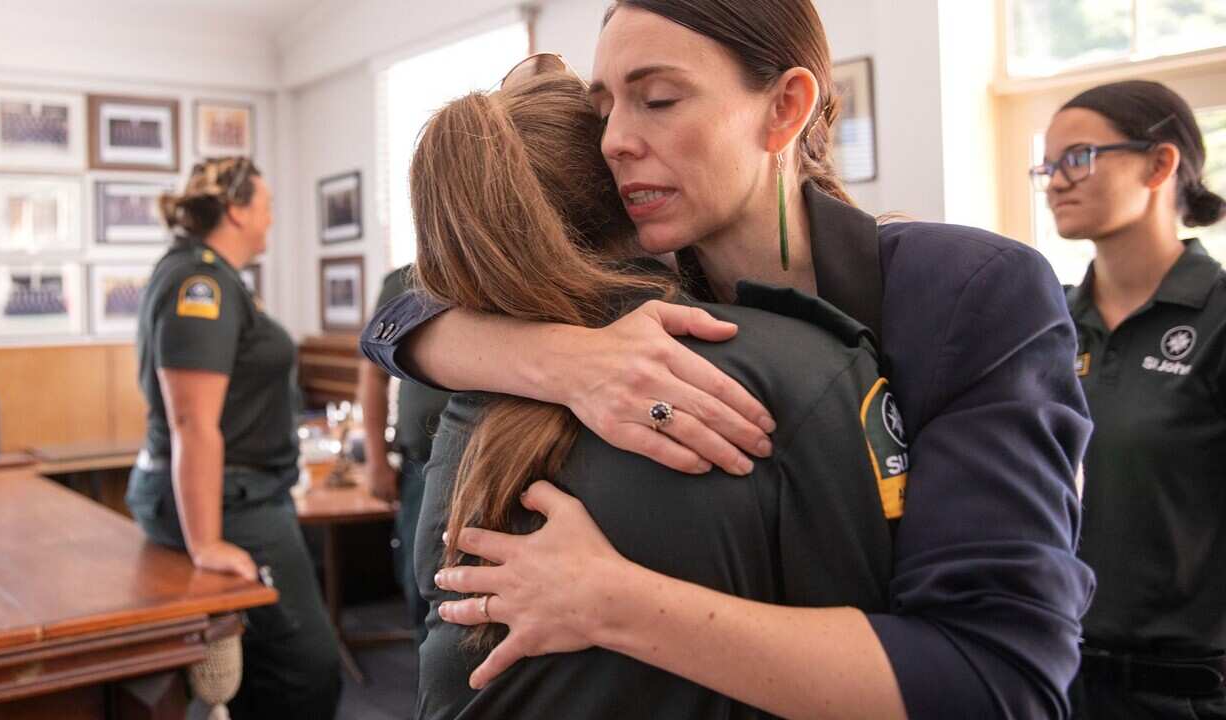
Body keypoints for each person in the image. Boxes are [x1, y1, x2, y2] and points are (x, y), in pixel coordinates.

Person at [363, 1, 1094, 717]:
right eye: (604, 109)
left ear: (784, 108)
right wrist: (565, 360)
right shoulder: (644, 298)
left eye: (657, 99)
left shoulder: (969, 289)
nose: (614, 139)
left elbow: (1002, 681)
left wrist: (610, 602)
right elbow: (394, 322)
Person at [410, 69, 904, 719]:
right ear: (631, 190)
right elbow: (887, 665)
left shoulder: (465, 394)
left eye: (663, 100)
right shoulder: (811, 366)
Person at [1035, 80, 1226, 718]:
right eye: (1048, 164)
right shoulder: (1046, 321)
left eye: (1079, 157)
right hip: (1055, 677)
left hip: (1188, 692)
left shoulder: (1218, 318)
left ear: (1160, 163)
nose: (1056, 180)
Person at [127, 157, 342, 719]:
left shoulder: (208, 275)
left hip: (240, 495)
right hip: (233, 503)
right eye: (266, 207)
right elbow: (192, 422)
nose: (271, 220)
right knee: (307, 669)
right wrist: (207, 543)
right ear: (237, 210)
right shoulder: (200, 282)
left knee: (262, 666)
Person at [358, 263, 451, 645]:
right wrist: (376, 460)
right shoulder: (400, 281)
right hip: (419, 466)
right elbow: (373, 377)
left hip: (487, 460)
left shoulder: (493, 267)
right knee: (418, 581)